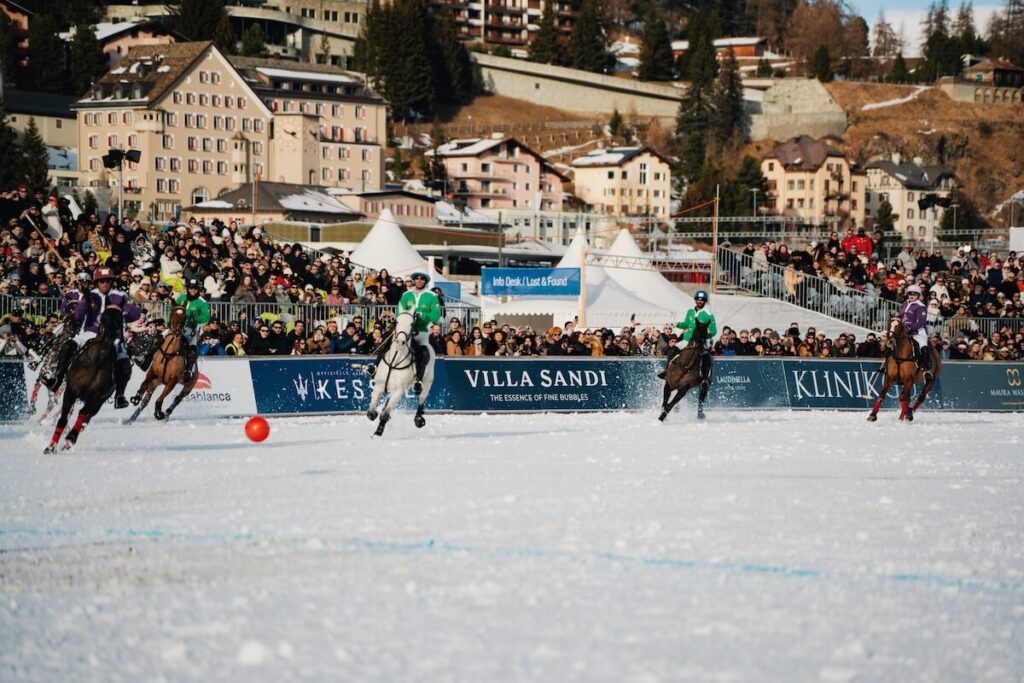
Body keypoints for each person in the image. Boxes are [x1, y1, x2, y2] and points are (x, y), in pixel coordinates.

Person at [54, 267, 143, 408]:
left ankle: (120, 395)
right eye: (101, 281)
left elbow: (135, 314)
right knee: (68, 346)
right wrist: (86, 302)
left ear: (112, 282)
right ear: (96, 283)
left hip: (114, 338)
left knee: (125, 363)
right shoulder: (90, 295)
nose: (105, 284)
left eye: (107, 281)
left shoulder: (120, 296)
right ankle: (57, 378)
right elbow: (77, 316)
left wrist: (122, 312)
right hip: (90, 333)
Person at [367, 271, 440, 394]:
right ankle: (375, 367)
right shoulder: (406, 295)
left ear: (425, 281)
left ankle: (419, 380)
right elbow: (398, 311)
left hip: (421, 330)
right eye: (417, 278)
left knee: (423, 352)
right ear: (413, 281)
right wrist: (403, 318)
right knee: (387, 342)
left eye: (422, 279)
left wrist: (422, 315)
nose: (419, 280)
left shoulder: (431, 295)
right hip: (404, 329)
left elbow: (436, 315)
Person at [657, 289, 717, 379]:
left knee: (706, 357)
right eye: (698, 299)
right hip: (687, 339)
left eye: (702, 299)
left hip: (700, 341)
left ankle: (704, 380)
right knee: (672, 350)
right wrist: (677, 324)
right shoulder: (690, 311)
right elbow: (686, 324)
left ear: (705, 301)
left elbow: (713, 330)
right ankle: (667, 371)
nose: (700, 301)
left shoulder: (708, 315)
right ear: (695, 300)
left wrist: (705, 335)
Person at [174, 278, 211, 383]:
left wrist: (195, 318)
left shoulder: (202, 302)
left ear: (198, 289)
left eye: (195, 288)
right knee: (161, 337)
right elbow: (172, 308)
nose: (192, 290)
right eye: (190, 288)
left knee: (192, 347)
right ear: (188, 288)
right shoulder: (181, 297)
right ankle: (146, 360)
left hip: (191, 329)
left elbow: (206, 317)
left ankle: (189, 370)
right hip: (176, 327)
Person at [900, 284, 933, 380]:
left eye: (914, 294)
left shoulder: (921, 306)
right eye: (910, 293)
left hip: (918, 332)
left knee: (923, 347)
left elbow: (920, 322)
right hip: (904, 331)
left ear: (918, 295)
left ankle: (927, 370)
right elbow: (900, 315)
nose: (911, 295)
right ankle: (886, 365)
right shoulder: (904, 304)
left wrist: (910, 328)